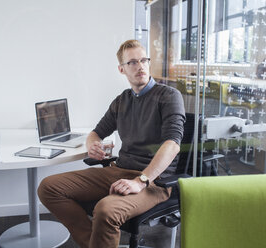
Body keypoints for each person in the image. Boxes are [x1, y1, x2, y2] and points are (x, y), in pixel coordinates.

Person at [37, 39, 185, 248]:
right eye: (132, 62)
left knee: (106, 210)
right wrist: (93, 145)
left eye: (144, 60)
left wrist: (141, 180)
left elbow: (173, 144)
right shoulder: (122, 100)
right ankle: (96, 243)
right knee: (48, 187)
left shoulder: (169, 96)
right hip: (119, 171)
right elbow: (96, 133)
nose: (140, 66)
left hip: (154, 180)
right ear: (122, 69)